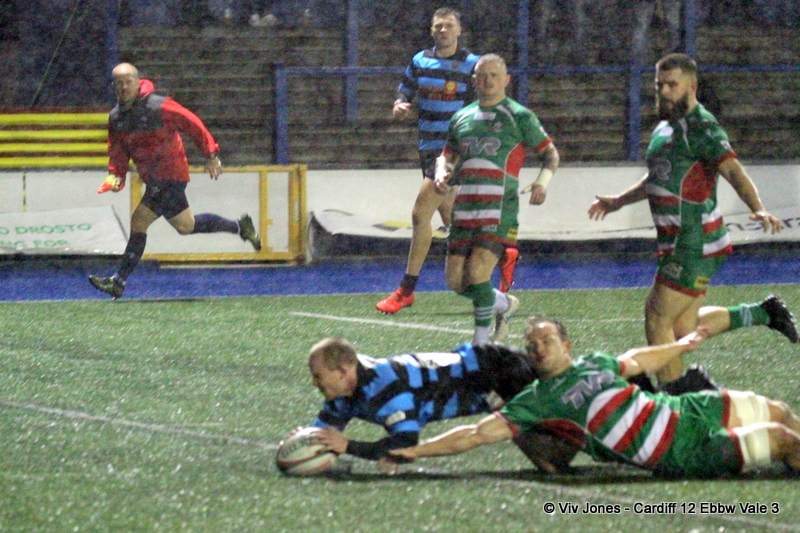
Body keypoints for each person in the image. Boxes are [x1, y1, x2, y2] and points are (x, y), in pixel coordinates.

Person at [588, 53, 797, 393]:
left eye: (672, 85)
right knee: (683, 329)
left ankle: (675, 398)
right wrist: (618, 201)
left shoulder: (703, 127)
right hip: (680, 240)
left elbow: (733, 170)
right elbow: (658, 178)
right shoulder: (665, 127)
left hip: (693, 240)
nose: (664, 92)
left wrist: (757, 208)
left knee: (657, 318)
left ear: (692, 86)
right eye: (659, 85)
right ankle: (764, 312)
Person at [390, 316, 800, 478]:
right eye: (531, 345)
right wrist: (416, 451)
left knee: (780, 411)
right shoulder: (536, 399)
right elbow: (476, 434)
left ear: (567, 345)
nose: (537, 348)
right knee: (784, 439)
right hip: (676, 449)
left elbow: (637, 360)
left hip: (686, 409)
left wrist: (682, 346)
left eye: (546, 340)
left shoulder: (594, 363)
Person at [375, 8, 520, 315]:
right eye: (438, 26)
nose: (443, 30)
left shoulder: (472, 65)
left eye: (449, 26)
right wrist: (400, 104)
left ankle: (406, 289)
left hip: (454, 152)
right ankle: (502, 255)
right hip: (428, 148)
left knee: (419, 215)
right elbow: (404, 91)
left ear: (459, 31)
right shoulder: (420, 61)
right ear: (431, 30)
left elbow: (486, 103)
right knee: (454, 222)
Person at [88, 62, 261, 299]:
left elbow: (192, 122)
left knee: (139, 221)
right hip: (155, 179)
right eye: (119, 83)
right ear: (113, 87)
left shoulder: (159, 106)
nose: (124, 87)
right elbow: (117, 150)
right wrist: (116, 176)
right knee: (185, 226)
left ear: (138, 83)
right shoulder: (116, 117)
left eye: (128, 82)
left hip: (170, 174)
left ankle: (118, 281)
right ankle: (241, 227)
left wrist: (211, 154)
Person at [306, 336, 579, 474]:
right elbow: (317, 437)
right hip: (482, 369)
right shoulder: (346, 387)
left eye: (318, 376)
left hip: (501, 375)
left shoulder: (387, 388)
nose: (314, 383)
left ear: (342, 372)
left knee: (552, 459)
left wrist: (349, 447)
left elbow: (404, 443)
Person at [435, 53, 559, 346]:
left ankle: (480, 346)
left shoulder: (519, 116)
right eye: (482, 75)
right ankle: (504, 303)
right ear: (474, 80)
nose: (488, 81)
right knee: (456, 282)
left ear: (506, 80)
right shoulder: (461, 117)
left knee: (477, 273)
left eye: (494, 75)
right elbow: (446, 154)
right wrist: (441, 171)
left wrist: (542, 183)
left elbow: (550, 154)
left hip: (499, 209)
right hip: (465, 207)